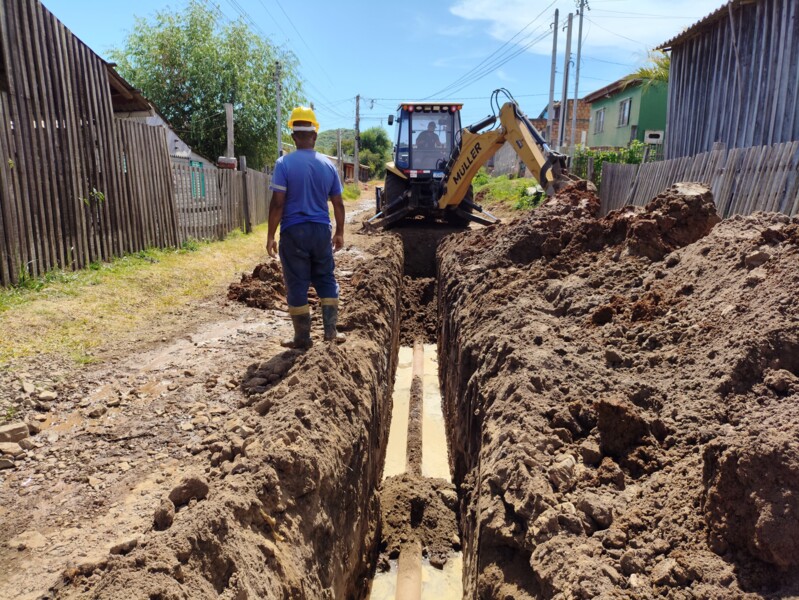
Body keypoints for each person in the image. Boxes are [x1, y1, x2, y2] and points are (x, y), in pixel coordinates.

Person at [266, 106, 346, 349]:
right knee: (325, 278)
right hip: (321, 231)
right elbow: (338, 203)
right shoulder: (329, 166)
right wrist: (340, 232)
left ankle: (302, 338)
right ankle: (330, 333)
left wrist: (270, 235)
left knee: (297, 282)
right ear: (315, 135)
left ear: (293, 136)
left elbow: (278, 203)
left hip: (293, 232)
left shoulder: (283, 164)